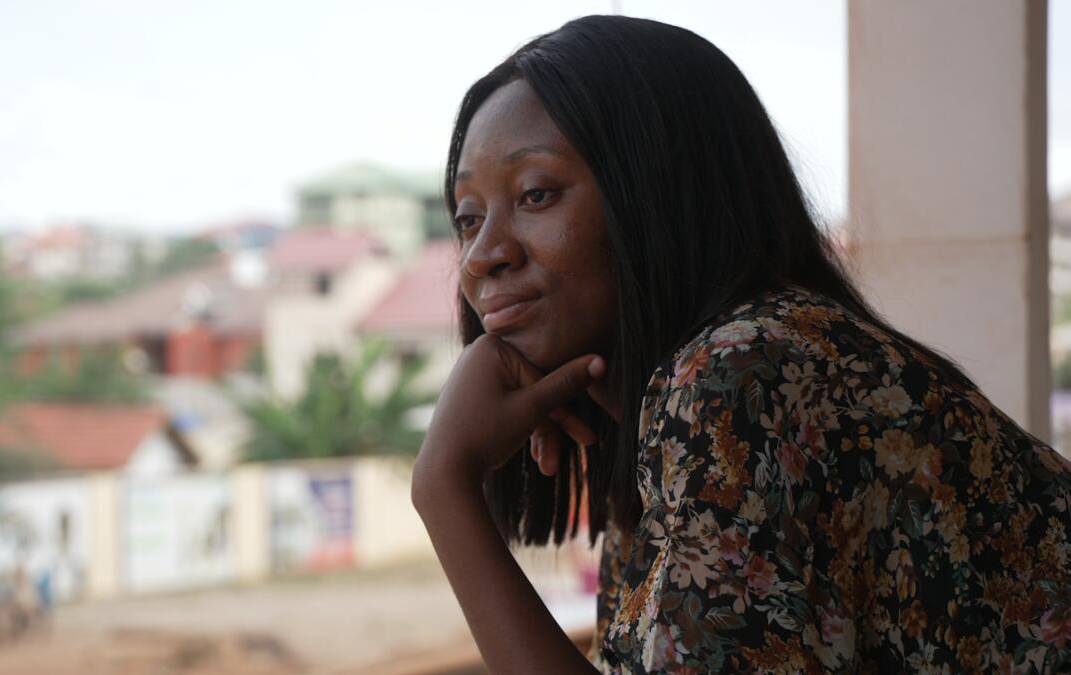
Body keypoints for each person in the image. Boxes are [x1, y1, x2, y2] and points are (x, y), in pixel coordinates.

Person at [410, 14, 1071, 674]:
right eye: (469, 217)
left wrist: (445, 489)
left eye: (536, 194)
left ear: (658, 192)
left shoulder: (748, 376)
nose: (482, 255)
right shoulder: (674, 421)